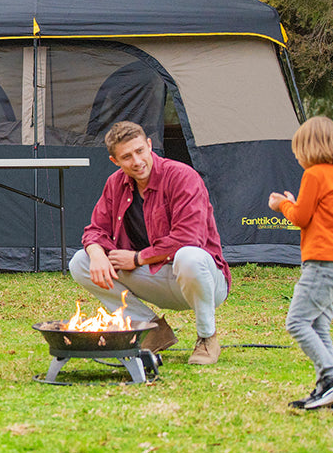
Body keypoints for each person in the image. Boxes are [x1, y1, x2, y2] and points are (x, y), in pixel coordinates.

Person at [69, 121, 229, 365]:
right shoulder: (115, 183)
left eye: (140, 151)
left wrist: (137, 259)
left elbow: (189, 237)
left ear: (149, 146)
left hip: (202, 279)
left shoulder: (181, 176)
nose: (136, 161)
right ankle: (151, 331)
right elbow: (95, 230)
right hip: (156, 278)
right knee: (81, 261)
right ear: (115, 161)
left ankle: (207, 338)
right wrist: (97, 254)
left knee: (189, 256)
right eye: (127, 156)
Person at [269, 116, 333, 410]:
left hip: (322, 263)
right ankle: (328, 391)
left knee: (296, 321)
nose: (296, 156)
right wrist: (295, 203)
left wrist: (281, 204)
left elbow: (300, 217)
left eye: (298, 149)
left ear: (309, 147)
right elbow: (316, 214)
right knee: (319, 326)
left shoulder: (315, 174)